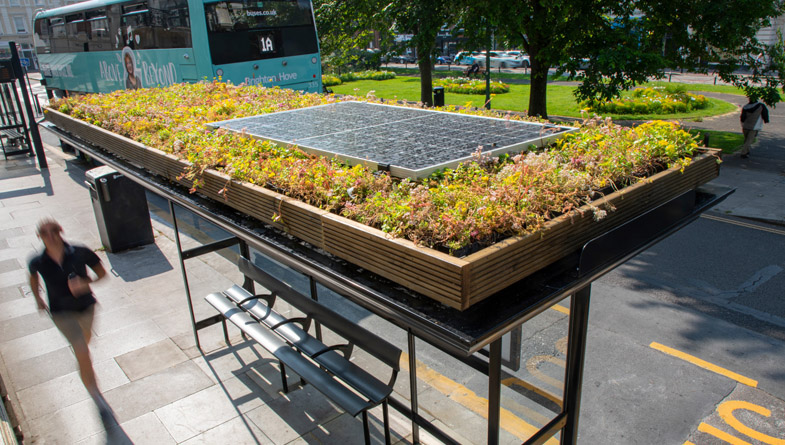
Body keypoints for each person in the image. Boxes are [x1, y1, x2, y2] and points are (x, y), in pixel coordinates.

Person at [27, 219, 113, 426]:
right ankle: (97, 397)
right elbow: (32, 277)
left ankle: (83, 356)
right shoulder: (37, 261)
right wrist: (38, 298)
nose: (50, 236)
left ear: (61, 231)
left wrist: (86, 283)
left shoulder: (80, 252)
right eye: (45, 233)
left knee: (86, 340)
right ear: (39, 237)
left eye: (53, 231)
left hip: (86, 308)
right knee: (82, 351)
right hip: (61, 313)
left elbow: (102, 274)